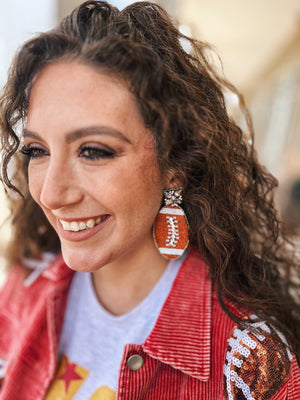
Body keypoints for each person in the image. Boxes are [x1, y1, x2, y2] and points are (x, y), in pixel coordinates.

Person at [0, 1, 299, 399]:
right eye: (38, 150)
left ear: (173, 164)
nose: (52, 194)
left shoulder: (251, 364)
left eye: (94, 151)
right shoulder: (27, 285)